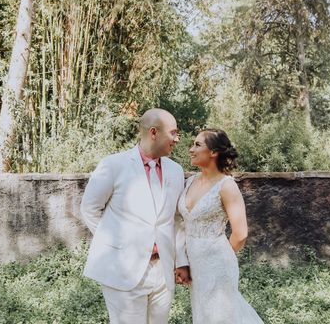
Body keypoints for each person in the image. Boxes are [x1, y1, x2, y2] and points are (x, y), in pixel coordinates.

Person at [80, 108, 190, 324]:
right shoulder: (113, 164)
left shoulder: (176, 171)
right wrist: (117, 244)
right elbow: (90, 208)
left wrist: (182, 261)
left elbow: (176, 220)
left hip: (163, 271)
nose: (177, 139)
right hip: (123, 269)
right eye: (173, 133)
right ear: (153, 132)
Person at [178, 128, 263, 324]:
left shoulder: (226, 186)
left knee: (221, 316)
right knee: (204, 314)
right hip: (195, 263)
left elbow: (240, 233)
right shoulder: (190, 181)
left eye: (197, 145)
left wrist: (218, 257)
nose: (191, 149)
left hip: (217, 263)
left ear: (214, 152)